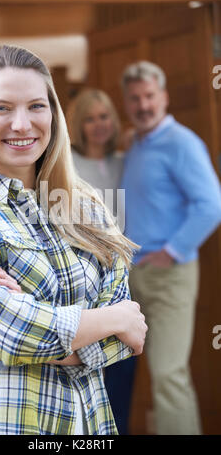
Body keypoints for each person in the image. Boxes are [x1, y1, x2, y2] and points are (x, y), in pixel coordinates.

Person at [0, 45, 147, 436]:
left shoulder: (89, 208)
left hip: (89, 426)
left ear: (54, 115)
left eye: (36, 106)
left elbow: (129, 341)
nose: (22, 124)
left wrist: (32, 324)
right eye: (1, 108)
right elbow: (11, 329)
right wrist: (111, 320)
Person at [120, 60, 221, 435]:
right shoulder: (136, 143)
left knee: (168, 375)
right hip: (134, 276)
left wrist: (172, 251)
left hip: (169, 276)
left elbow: (211, 205)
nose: (143, 105)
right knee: (135, 373)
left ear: (163, 97)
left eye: (149, 96)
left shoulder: (182, 143)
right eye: (135, 98)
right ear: (127, 103)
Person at [67, 88, 136, 434]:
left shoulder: (126, 162)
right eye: (90, 118)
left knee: (121, 369)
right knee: (87, 368)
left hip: (124, 280)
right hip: (84, 282)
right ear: (78, 124)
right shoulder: (66, 165)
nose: (98, 125)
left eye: (104, 116)